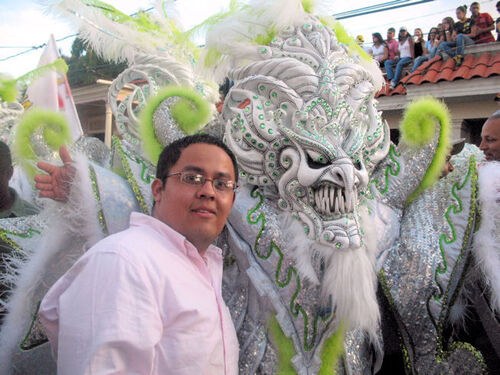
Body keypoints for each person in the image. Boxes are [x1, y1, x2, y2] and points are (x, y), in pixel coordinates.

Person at [38, 134, 240, 374]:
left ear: (232, 199)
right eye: (192, 178)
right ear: (158, 190)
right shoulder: (122, 260)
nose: (208, 191)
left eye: (222, 184)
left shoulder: (203, 268)